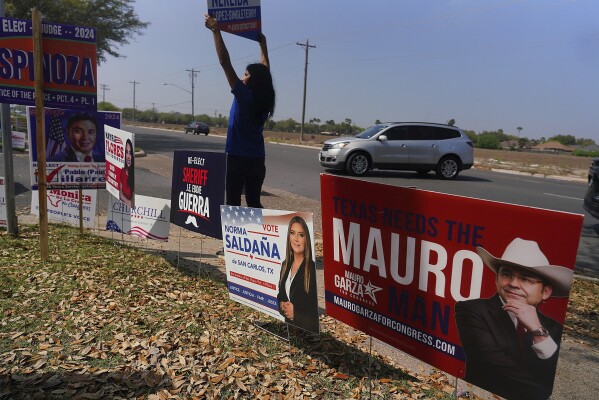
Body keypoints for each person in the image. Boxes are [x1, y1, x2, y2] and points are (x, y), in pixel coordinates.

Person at [455, 238, 574, 400]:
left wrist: (538, 331)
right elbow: (495, 367)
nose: (513, 284)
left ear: (545, 292)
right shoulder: (472, 311)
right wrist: (542, 393)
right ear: (497, 279)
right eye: (506, 274)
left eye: (526, 278)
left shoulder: (554, 329)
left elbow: (552, 373)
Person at [204, 14, 275, 208]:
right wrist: (263, 45)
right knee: (254, 202)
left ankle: (234, 238)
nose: (243, 78)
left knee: (233, 204)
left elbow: (225, 62)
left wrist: (216, 31)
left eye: (246, 75)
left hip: (237, 160)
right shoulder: (265, 97)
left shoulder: (244, 96)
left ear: (253, 80)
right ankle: (256, 237)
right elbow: (265, 72)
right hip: (258, 161)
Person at [277, 216, 319, 334]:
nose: (296, 239)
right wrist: (281, 305)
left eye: (301, 235)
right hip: (288, 331)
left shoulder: (311, 269)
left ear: (307, 239)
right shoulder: (285, 265)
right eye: (292, 233)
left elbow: (314, 317)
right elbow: (280, 295)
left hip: (307, 337)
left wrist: (295, 315)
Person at [119, 139, 135, 208]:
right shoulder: (122, 171)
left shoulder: (133, 175)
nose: (128, 156)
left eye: (130, 153)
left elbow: (132, 203)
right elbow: (120, 195)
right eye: (126, 152)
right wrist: (127, 201)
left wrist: (124, 199)